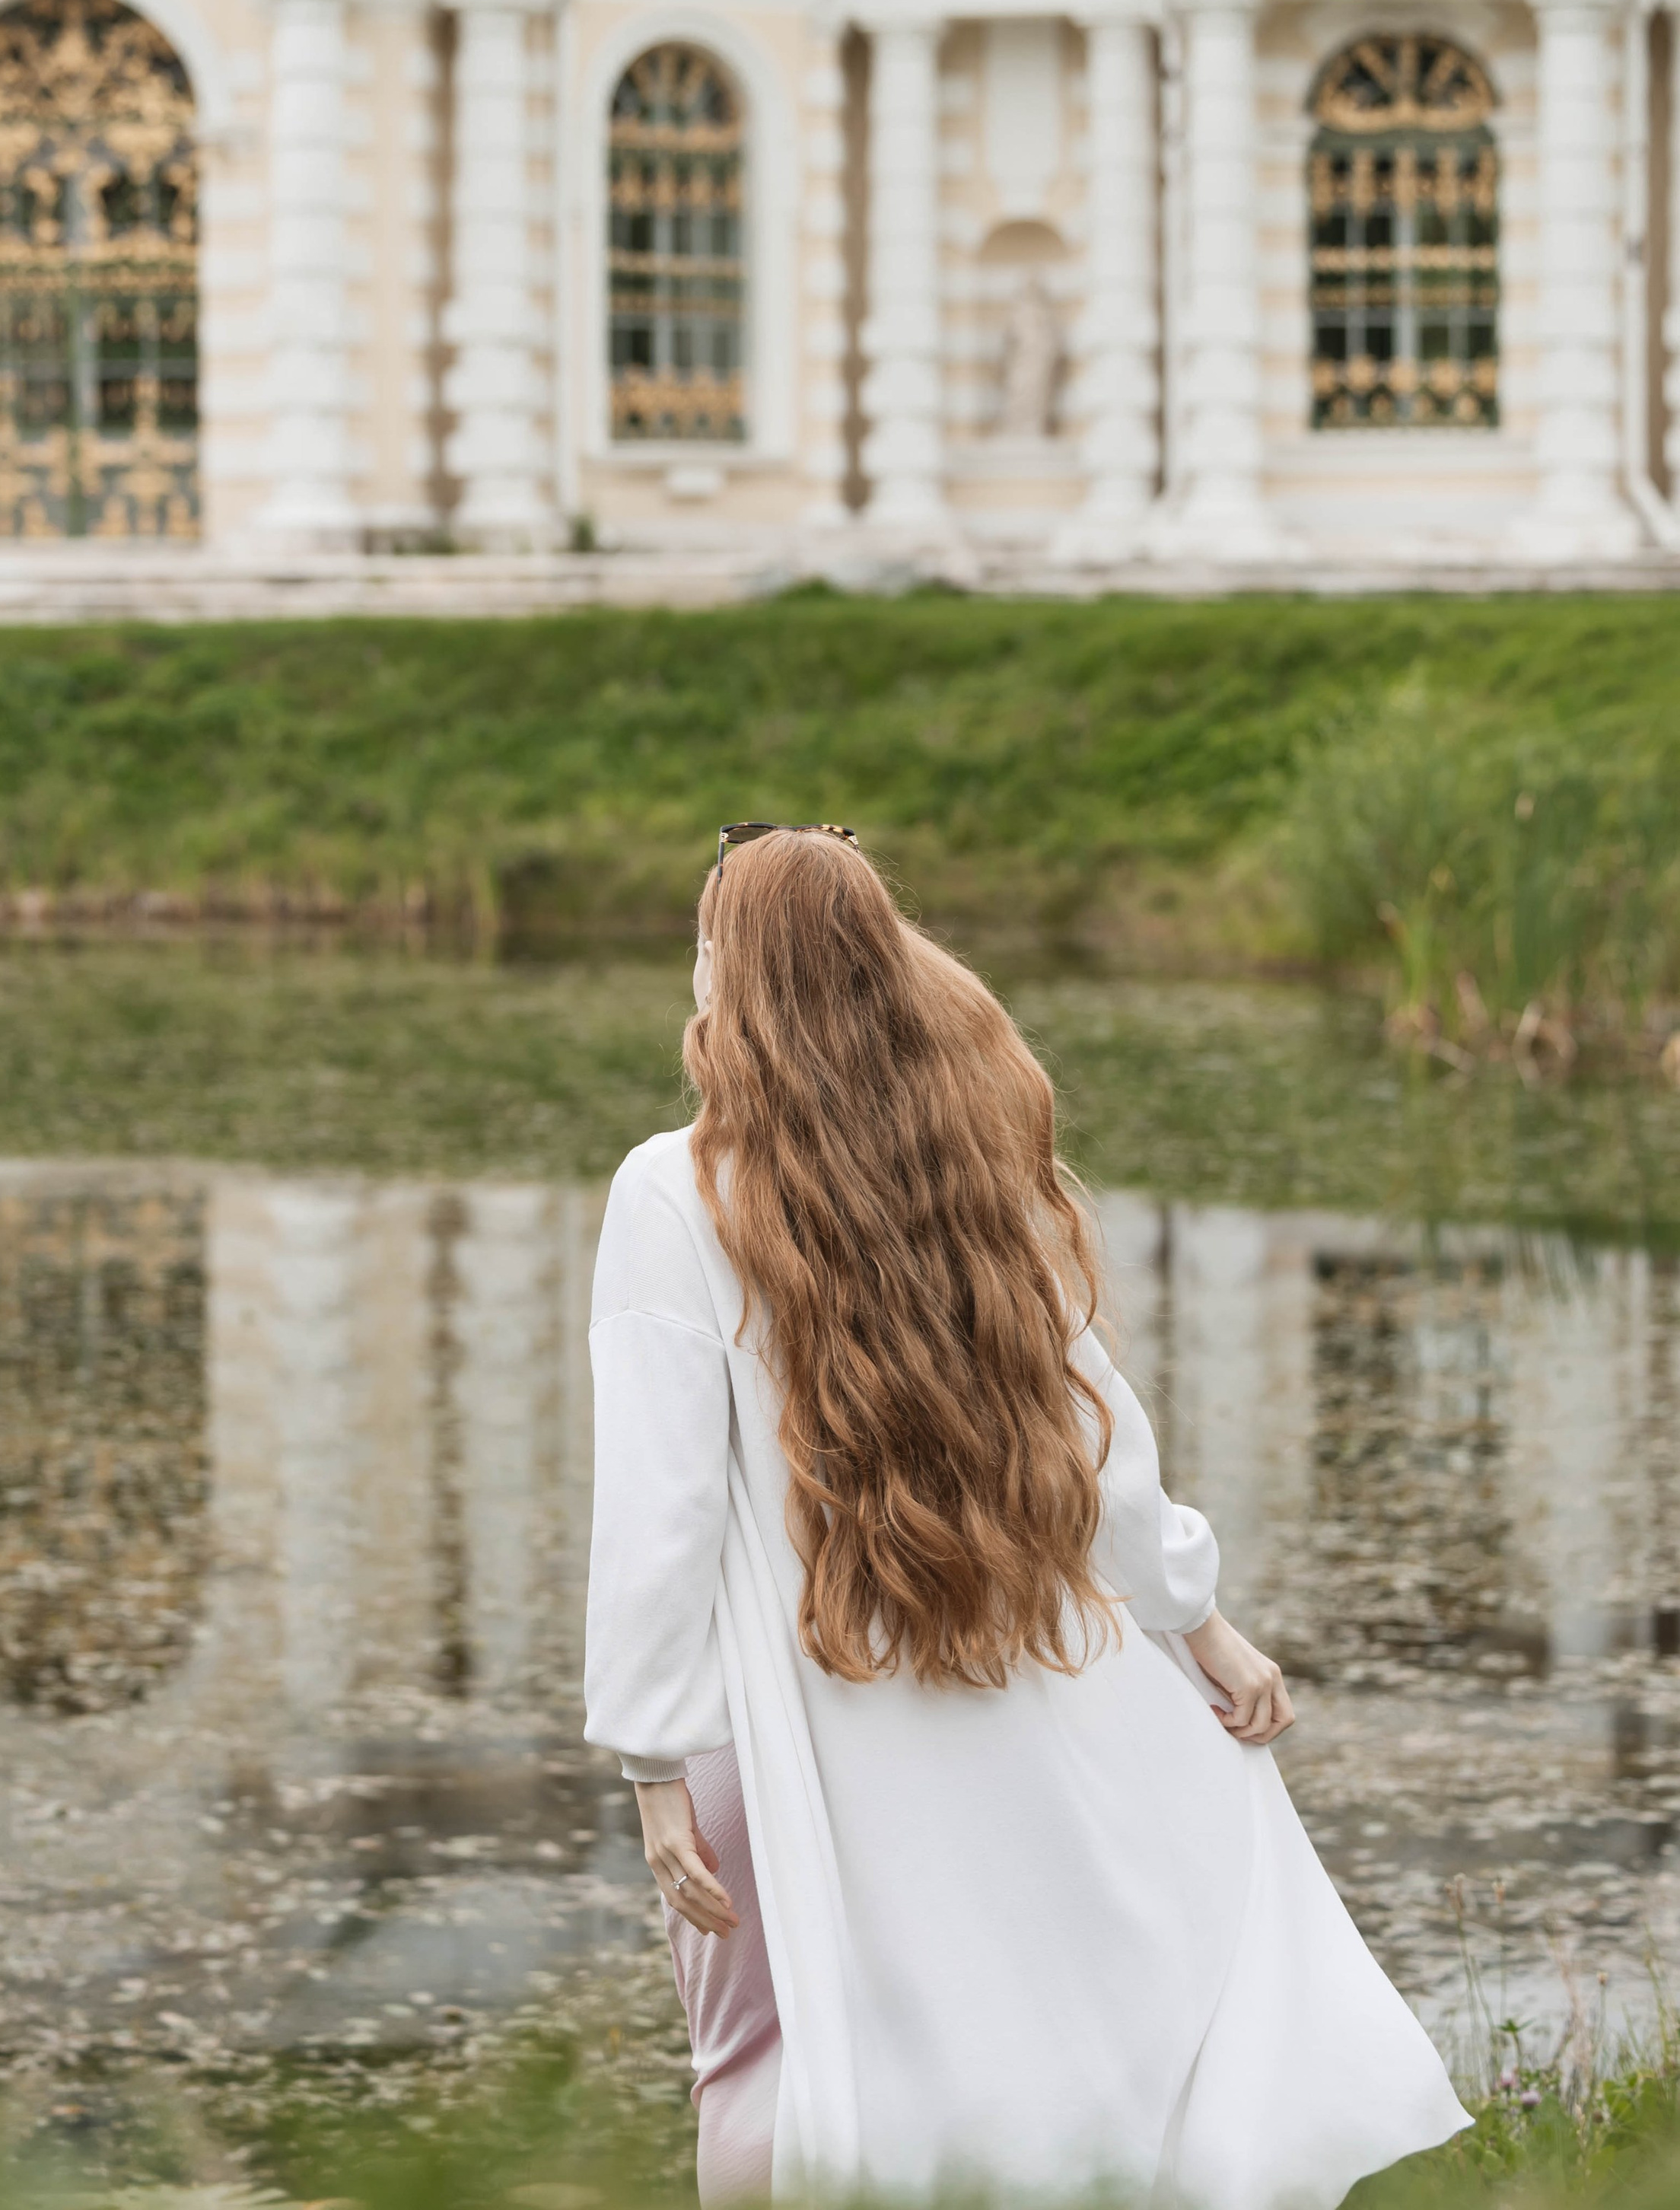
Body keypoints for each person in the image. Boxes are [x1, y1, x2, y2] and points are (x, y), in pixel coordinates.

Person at [584, 826, 1469, 2208]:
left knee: (756, 2064)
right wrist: (1196, 1626)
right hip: (964, 1661)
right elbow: (1086, 1418)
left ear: (740, 980)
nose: (691, 968)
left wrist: (649, 1758)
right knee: (975, 2042)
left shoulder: (669, 1188)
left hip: (754, 1717)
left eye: (705, 942)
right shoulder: (959, 1161)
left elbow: (659, 1510)